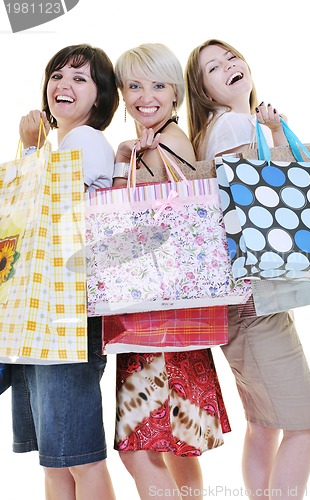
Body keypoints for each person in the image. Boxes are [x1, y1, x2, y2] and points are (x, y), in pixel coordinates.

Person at [185, 39, 310, 500]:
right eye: (213, 67)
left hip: (239, 298)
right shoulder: (235, 125)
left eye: (231, 58)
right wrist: (272, 134)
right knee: (304, 426)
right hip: (256, 299)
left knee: (265, 424)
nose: (229, 66)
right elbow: (262, 198)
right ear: (204, 90)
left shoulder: (214, 130)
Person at [112, 43, 231, 500]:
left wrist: (131, 162)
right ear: (123, 93)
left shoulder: (168, 141)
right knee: (180, 446)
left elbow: (144, 229)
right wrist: (128, 156)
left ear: (176, 93)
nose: (146, 95)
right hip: (172, 313)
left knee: (139, 449)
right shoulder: (154, 140)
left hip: (161, 317)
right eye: (135, 85)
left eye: (159, 84)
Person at [11, 44, 119, 500]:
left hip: (64, 315)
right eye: (57, 75)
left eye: (80, 78)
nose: (63, 85)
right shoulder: (62, 147)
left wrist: (33, 152)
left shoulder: (85, 141)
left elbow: (68, 228)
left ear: (100, 97)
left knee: (78, 458)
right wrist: (35, 150)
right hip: (45, 317)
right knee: (57, 462)